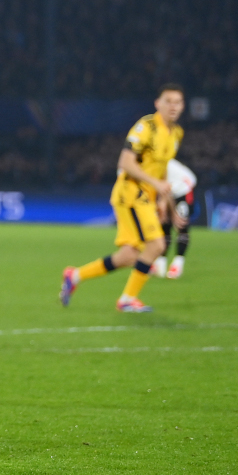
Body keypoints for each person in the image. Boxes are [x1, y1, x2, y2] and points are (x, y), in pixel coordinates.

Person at [60, 85, 185, 313]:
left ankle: (74, 275)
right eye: (168, 101)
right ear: (158, 104)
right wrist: (156, 186)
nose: (173, 106)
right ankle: (127, 299)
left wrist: (164, 203)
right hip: (131, 193)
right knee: (156, 245)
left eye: (178, 102)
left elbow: (162, 170)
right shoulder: (146, 127)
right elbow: (125, 163)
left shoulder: (176, 134)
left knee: (128, 256)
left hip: (146, 197)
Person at [153, 158, 196, 279]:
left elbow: (165, 186)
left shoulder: (158, 161)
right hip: (169, 190)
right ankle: (160, 262)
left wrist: (170, 210)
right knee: (164, 223)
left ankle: (178, 264)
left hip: (184, 188)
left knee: (181, 224)